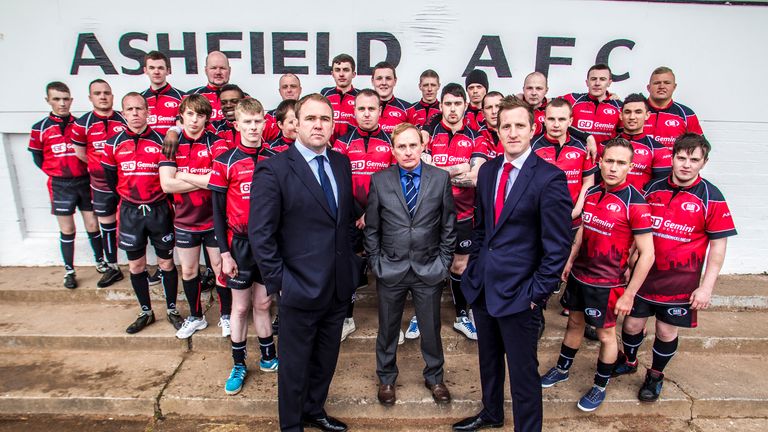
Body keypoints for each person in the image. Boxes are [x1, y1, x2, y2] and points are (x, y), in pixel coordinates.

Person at [453, 96, 572, 432]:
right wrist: (473, 268)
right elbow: (481, 228)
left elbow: (557, 247)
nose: (513, 132)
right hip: (484, 287)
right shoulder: (488, 171)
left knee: (522, 373)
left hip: (521, 294)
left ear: (533, 129)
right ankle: (491, 413)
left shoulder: (549, 178)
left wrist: (536, 293)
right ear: (498, 130)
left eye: (520, 125)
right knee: (488, 363)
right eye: (506, 126)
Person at [250, 94, 361, 432]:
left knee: (326, 359)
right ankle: (292, 425)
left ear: (332, 125)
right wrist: (281, 282)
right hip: (298, 286)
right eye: (310, 118)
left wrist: (352, 267)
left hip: (338, 286)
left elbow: (343, 221)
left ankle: (315, 409)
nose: (318, 124)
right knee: (295, 365)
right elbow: (261, 234)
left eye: (325, 119)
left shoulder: (341, 164)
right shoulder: (274, 169)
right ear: (296, 122)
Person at [613, 133, 736, 401]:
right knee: (632, 325)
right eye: (681, 157)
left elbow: (718, 247)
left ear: (704, 162)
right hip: (644, 278)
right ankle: (630, 361)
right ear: (672, 158)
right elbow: (638, 229)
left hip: (680, 282)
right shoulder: (653, 189)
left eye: (694, 159)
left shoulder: (711, 197)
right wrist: (628, 261)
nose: (686, 164)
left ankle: (655, 375)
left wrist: (706, 287)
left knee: (666, 330)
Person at [541, 137, 656, 412]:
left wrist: (629, 295)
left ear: (630, 166)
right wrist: (569, 260)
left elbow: (648, 254)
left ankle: (600, 385)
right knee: (574, 324)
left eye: (621, 163)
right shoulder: (592, 193)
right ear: (600, 162)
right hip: (580, 276)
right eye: (610, 161)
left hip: (608, 283)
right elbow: (582, 232)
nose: (613, 168)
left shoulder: (636, 203)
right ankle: (562, 368)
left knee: (606, 336)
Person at [365, 122, 456, 406]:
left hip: (428, 268)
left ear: (422, 146)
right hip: (390, 268)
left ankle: (435, 377)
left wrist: (443, 263)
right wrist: (376, 262)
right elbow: (372, 228)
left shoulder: (440, 179)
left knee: (431, 328)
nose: (407, 152)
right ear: (393, 150)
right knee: (388, 329)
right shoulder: (380, 180)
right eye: (401, 146)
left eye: (412, 145)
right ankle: (387, 379)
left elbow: (448, 226)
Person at [209, 98, 279, 395]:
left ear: (265, 122)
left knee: (263, 304)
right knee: (239, 307)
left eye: (257, 121)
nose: (253, 127)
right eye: (247, 122)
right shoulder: (224, 160)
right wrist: (224, 253)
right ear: (236, 125)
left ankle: (268, 356)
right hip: (238, 245)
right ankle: (238, 363)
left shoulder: (277, 158)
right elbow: (216, 211)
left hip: (269, 244)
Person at [101, 93, 182, 333]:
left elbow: (172, 175)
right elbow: (110, 179)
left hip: (159, 209)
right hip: (130, 211)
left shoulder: (162, 140)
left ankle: (171, 309)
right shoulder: (112, 143)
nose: (135, 113)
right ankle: (146, 311)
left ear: (148, 111)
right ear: (123, 113)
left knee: (166, 263)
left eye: (139, 108)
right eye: (130, 109)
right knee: (136, 266)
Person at [415, 83, 489, 341]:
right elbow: (421, 173)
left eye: (458, 103)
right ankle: (420, 315)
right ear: (441, 105)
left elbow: (475, 176)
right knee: (427, 265)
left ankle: (461, 316)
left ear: (466, 106)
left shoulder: (477, 136)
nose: (453, 109)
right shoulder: (428, 134)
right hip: (431, 214)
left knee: (459, 266)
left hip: (464, 215)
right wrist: (457, 169)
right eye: (448, 104)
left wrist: (440, 173)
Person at [158, 94, 225, 339]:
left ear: (207, 118)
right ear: (181, 116)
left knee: (220, 269)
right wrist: (202, 180)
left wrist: (183, 176)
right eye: (189, 114)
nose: (194, 120)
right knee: (188, 271)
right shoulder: (172, 144)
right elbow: (166, 185)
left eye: (199, 115)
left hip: (214, 219)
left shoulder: (216, 143)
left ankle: (226, 316)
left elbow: (218, 181)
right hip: (185, 221)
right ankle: (196, 317)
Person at [332, 88, 395, 342]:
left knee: (387, 270)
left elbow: (392, 182)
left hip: (383, 216)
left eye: (372, 109)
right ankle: (347, 318)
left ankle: (389, 324)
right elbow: (340, 183)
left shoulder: (391, 141)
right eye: (362, 109)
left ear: (380, 111)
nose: (367, 113)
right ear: (354, 111)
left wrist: (371, 213)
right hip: (350, 217)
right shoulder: (341, 143)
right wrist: (358, 214)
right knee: (349, 269)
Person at [28, 81, 103, 289]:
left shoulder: (80, 125)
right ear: (48, 100)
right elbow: (38, 158)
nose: (62, 103)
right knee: (67, 228)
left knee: (92, 224)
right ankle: (69, 270)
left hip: (84, 181)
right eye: (57, 99)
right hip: (60, 184)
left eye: (65, 99)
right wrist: (56, 172)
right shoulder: (40, 128)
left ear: (71, 100)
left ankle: (101, 261)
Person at [71, 79, 127, 287]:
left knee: (136, 224)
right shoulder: (82, 124)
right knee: (107, 224)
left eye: (106, 93)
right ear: (90, 97)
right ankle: (112, 266)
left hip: (125, 182)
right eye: (97, 93)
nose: (102, 97)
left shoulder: (123, 119)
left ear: (112, 96)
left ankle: (143, 265)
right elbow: (81, 154)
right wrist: (101, 168)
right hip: (100, 185)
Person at [562, 64, 622, 153]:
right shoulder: (573, 100)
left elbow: (624, 135)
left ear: (609, 83)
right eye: (593, 79)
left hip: (605, 162)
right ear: (587, 82)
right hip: (576, 158)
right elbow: (543, 102)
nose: (597, 83)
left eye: (602, 79)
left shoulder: (619, 106)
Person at [618, 93, 671, 193]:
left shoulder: (659, 149)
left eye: (638, 112)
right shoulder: (605, 146)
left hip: (641, 204)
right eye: (627, 112)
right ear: (621, 115)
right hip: (611, 204)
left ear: (647, 115)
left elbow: (661, 186)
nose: (632, 117)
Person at [644, 67, 703, 148]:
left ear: (674, 87)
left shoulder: (687, 114)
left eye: (667, 83)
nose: (661, 86)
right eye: (657, 83)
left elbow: (701, 146)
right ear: (648, 87)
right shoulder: (634, 111)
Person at [141, 51, 185, 137]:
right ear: (145, 70)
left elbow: (186, 128)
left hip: (173, 148)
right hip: (148, 148)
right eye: (152, 68)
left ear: (168, 71)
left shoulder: (182, 97)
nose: (156, 72)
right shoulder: (140, 99)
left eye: (160, 68)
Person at [186, 51, 231, 122]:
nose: (218, 72)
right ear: (206, 71)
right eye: (213, 68)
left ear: (229, 70)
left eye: (222, 68)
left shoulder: (243, 97)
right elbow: (181, 125)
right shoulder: (190, 96)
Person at [321, 53, 359, 137]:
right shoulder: (325, 94)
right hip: (327, 146)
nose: (341, 74)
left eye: (346, 70)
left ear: (353, 74)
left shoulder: (360, 96)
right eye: (337, 70)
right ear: (332, 73)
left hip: (353, 146)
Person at [371, 61, 411, 134]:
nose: (384, 83)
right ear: (372, 81)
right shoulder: (364, 108)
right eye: (379, 78)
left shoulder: (407, 109)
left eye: (388, 78)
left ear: (395, 81)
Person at [478, 91, 504, 157]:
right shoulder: (476, 137)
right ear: (483, 113)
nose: (494, 111)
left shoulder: (515, 134)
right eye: (489, 107)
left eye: (498, 106)